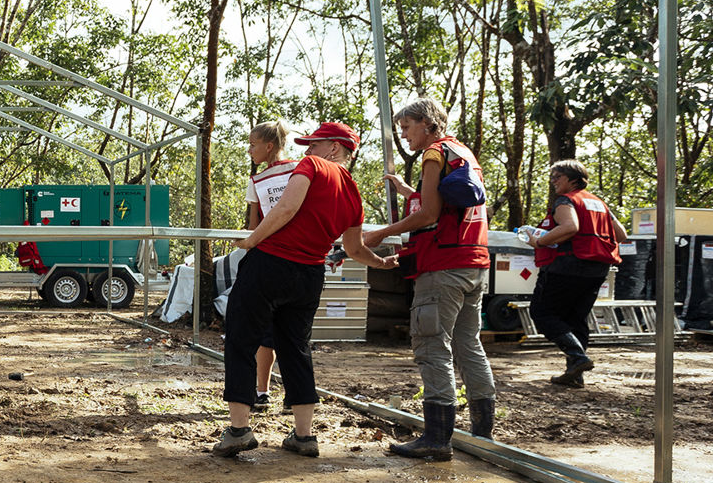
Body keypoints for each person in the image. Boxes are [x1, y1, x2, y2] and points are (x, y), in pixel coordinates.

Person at [213, 122, 396, 459]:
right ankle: (303, 436)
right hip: (310, 274)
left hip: (270, 264)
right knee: (296, 348)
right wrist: (382, 264)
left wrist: (251, 240)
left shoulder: (311, 167)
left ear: (335, 148)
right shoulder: (354, 194)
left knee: (240, 338)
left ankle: (238, 430)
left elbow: (286, 207)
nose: (306, 150)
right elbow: (355, 250)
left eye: (314, 144)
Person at [363, 98, 496, 460]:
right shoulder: (462, 151)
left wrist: (378, 234)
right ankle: (483, 433)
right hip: (474, 263)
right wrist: (410, 193)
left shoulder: (434, 154)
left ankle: (437, 438)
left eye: (406, 127)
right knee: (469, 345)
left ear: (426, 123)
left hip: (443, 268)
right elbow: (448, 202)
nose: (404, 136)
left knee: (432, 345)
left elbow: (430, 214)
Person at [525, 160, 626, 388]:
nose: (553, 182)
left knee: (542, 313)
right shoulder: (598, 203)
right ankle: (575, 374)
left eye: (557, 177)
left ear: (572, 179)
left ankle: (577, 357)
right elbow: (621, 235)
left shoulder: (566, 200)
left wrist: (539, 241)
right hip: (597, 269)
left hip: (567, 265)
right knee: (575, 319)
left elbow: (570, 227)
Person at [243, 121, 297, 412]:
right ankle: (292, 396)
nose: (250, 150)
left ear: (269, 146)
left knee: (267, 332)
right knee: (292, 333)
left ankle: (262, 392)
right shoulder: (302, 171)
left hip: (270, 258)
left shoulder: (260, 180)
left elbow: (254, 226)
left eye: (253, 144)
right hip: (300, 259)